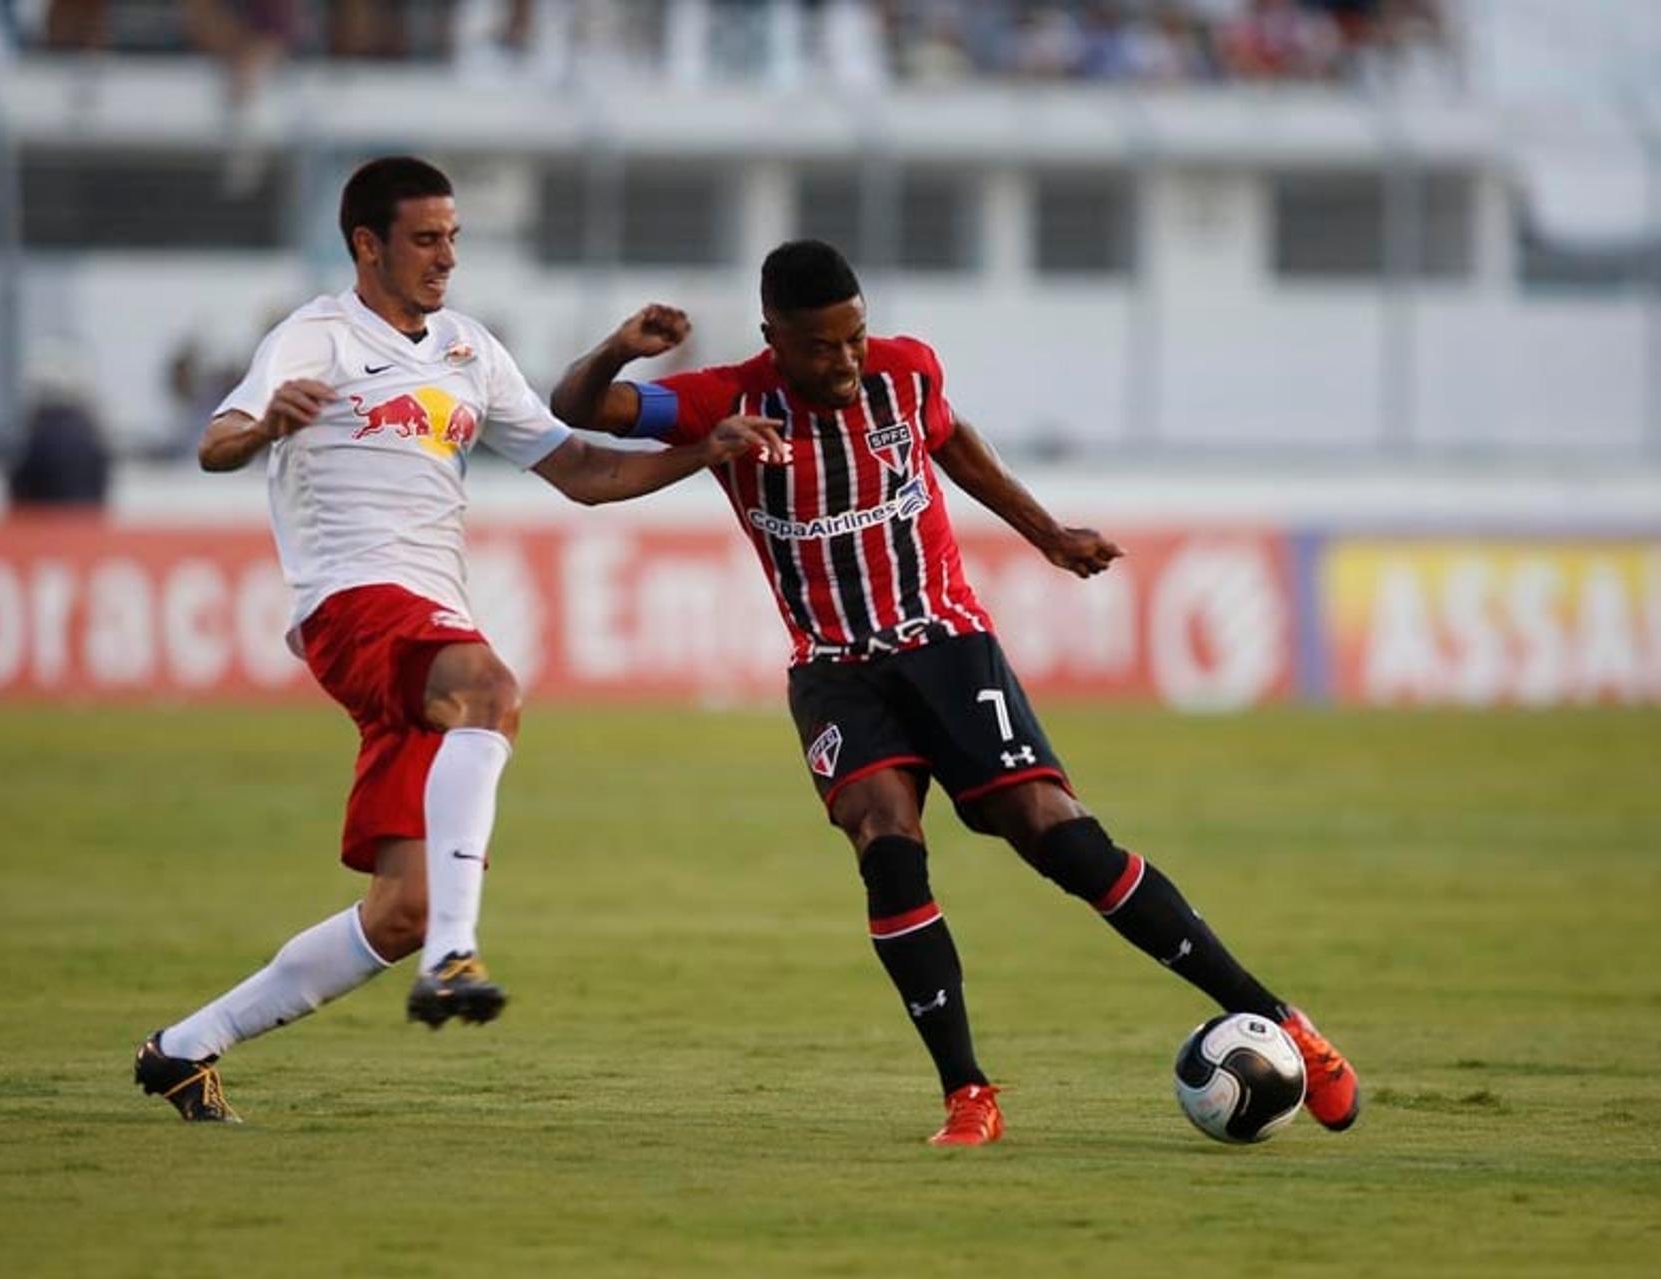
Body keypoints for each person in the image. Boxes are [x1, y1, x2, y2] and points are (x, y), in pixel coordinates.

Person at [549, 239, 1359, 1147]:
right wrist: (620, 347)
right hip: (834, 668)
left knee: (1063, 842)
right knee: (885, 843)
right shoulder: (722, 400)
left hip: (946, 644)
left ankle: (1288, 1026)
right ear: (774, 337)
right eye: (822, 346)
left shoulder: (906, 372)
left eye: (855, 337)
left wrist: (1048, 534)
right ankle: (968, 1094)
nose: (847, 360)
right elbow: (579, 409)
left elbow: (953, 443)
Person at [133, 156, 783, 1122]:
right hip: (353, 604)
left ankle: (186, 1048)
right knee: (492, 690)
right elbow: (214, 442)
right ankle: (455, 955)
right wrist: (268, 421)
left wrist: (702, 452)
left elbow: (585, 473)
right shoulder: (315, 336)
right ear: (367, 245)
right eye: (425, 239)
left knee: (398, 906)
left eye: (453, 239)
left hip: (426, 620)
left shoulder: (470, 351)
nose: (446, 257)